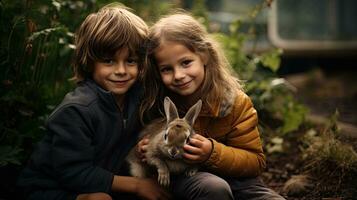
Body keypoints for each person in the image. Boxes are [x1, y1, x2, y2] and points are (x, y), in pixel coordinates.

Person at [17, 4, 170, 200]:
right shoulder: (76, 110)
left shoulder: (138, 98)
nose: (121, 70)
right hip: (49, 190)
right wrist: (137, 186)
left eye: (130, 61)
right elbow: (74, 173)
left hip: (103, 183)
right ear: (90, 62)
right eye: (109, 61)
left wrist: (143, 148)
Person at [139, 13, 286, 200]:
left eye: (186, 63)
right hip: (186, 175)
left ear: (204, 55)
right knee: (214, 189)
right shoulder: (157, 101)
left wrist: (212, 152)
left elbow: (255, 161)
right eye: (167, 69)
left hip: (236, 179)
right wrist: (145, 148)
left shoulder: (235, 103)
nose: (178, 75)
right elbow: (145, 143)